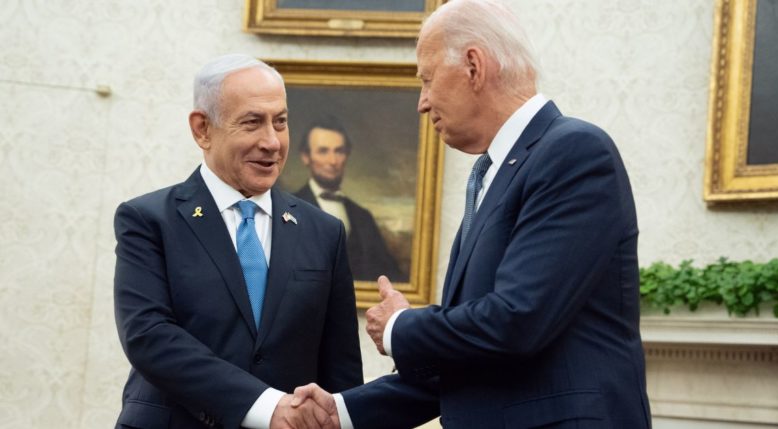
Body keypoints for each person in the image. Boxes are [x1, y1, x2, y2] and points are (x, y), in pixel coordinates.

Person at [295, 0, 652, 427]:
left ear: (473, 66)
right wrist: (341, 412)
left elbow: (516, 322)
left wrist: (401, 327)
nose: (422, 103)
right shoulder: (494, 175)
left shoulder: (573, 151)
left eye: (427, 80)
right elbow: (470, 356)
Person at [113, 54, 362, 429]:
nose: (272, 142)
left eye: (280, 122)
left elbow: (340, 369)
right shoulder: (149, 220)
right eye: (252, 123)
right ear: (202, 129)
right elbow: (149, 336)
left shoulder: (324, 231)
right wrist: (265, 406)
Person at [294, 116, 406, 282]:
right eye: (323, 151)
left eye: (339, 151)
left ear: (347, 156)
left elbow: (391, 275)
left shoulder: (363, 217)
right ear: (305, 157)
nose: (333, 161)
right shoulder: (288, 209)